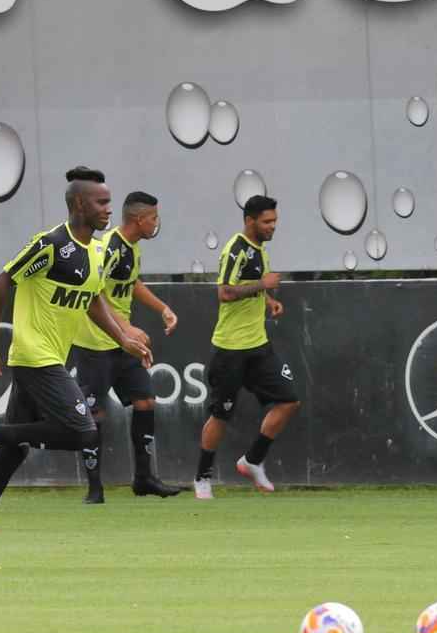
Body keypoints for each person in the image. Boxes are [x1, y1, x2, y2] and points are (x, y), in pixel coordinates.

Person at [0, 167, 152, 570]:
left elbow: (92, 301)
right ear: (78, 204)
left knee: (14, 451)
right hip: (34, 355)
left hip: (52, 355)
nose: (108, 209)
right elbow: (3, 280)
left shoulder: (96, 251)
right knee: (82, 431)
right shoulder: (52, 244)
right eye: (101, 202)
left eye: (109, 201)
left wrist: (123, 336)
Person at [70, 191, 180, 503]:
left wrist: (162, 309)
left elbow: (131, 284)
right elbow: (94, 291)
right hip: (94, 342)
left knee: (145, 401)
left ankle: (143, 479)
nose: (156, 223)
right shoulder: (109, 246)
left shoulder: (132, 248)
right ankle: (95, 488)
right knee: (95, 414)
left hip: (123, 344)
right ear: (138, 219)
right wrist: (127, 326)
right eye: (154, 218)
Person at [194, 195, 300, 499]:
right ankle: (202, 478)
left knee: (289, 400)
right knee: (220, 416)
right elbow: (225, 293)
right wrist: (263, 286)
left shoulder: (259, 250)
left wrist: (268, 301)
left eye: (275, 221)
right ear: (250, 220)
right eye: (267, 222)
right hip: (230, 349)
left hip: (258, 346)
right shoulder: (235, 249)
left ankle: (252, 460)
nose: (272, 227)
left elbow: (251, 286)